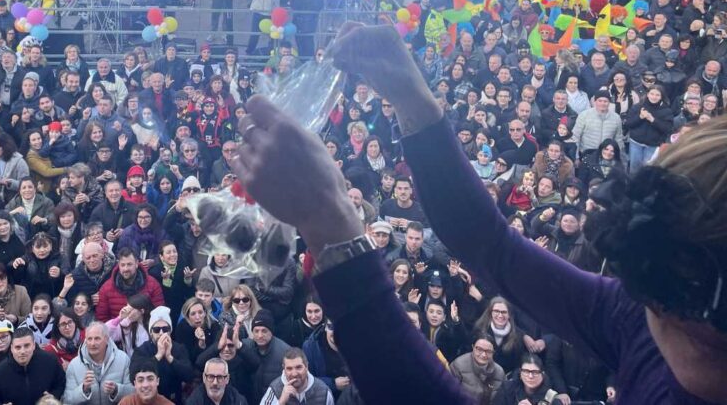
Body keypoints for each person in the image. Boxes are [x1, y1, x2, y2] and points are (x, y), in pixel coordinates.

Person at [233, 22, 727, 405]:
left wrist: (331, 225)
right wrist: (415, 102)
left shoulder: (650, 319)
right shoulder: (640, 319)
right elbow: (491, 246)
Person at [0, 325, 66, 405]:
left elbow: (60, 383)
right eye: (18, 347)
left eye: (27, 346)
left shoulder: (50, 361)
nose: (22, 351)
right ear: (11, 348)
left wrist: (54, 396)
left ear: (34, 345)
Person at [258, 348, 333, 405]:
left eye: (298, 367)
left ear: (306, 366)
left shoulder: (323, 391)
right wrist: (281, 401)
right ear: (284, 369)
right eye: (289, 369)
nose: (294, 374)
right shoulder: (275, 389)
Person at [449, 335, 505, 401]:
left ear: (493, 352)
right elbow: (449, 393)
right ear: (473, 347)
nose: (484, 355)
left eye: (488, 351)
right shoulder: (459, 365)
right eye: (479, 349)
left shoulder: (499, 372)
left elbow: (502, 399)